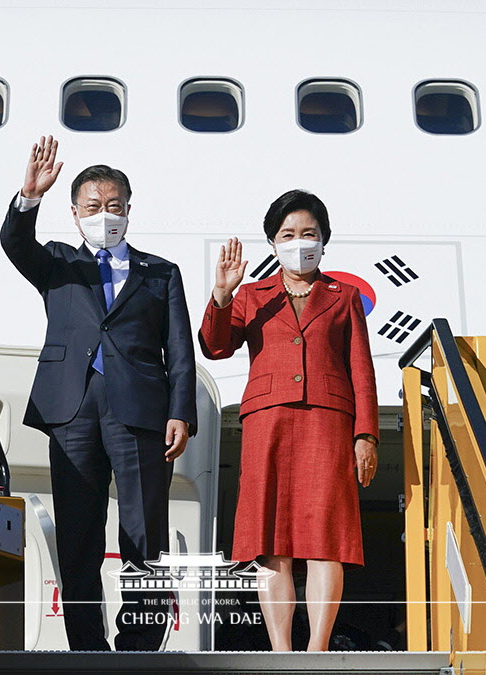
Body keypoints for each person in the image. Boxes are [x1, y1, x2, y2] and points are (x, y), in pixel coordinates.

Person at [0, 135, 198, 651]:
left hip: (141, 412)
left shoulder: (161, 272)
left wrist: (181, 413)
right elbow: (15, 244)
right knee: (78, 534)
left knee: (145, 531)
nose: (104, 215)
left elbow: (179, 351)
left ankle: (139, 646)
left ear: (129, 210)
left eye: (113, 207)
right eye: (93, 207)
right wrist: (29, 197)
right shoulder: (58, 264)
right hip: (72, 413)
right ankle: (87, 646)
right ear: (74, 212)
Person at [198, 189, 379, 652]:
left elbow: (362, 370)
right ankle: (280, 649)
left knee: (326, 539)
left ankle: (317, 647)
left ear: (324, 240)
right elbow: (216, 347)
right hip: (268, 424)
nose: (300, 242)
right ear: (273, 243)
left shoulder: (345, 296)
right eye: (288, 234)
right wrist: (222, 294)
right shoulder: (253, 295)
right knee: (270, 540)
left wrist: (366, 435)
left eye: (309, 234)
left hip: (328, 423)